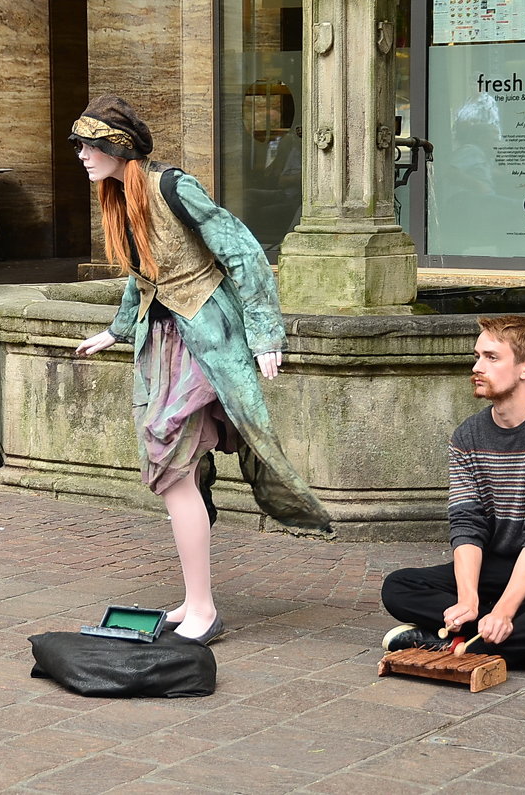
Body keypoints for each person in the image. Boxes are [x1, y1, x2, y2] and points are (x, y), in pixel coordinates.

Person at [72, 95, 331, 644]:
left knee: (172, 461)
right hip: (163, 342)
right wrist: (116, 330)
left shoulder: (172, 187)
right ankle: (194, 601)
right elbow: (142, 273)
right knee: (177, 472)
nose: (82, 156)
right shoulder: (120, 197)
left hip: (206, 341)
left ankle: (204, 609)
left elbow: (244, 253)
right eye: (80, 145)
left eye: (91, 145)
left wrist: (265, 335)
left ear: (118, 147)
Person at [381, 315, 525, 676]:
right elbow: (467, 524)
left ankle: (453, 640)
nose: (477, 367)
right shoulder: (467, 436)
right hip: (498, 567)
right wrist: (468, 598)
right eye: (477, 357)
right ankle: (522, 641)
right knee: (398, 586)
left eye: (491, 358)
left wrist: (504, 610)